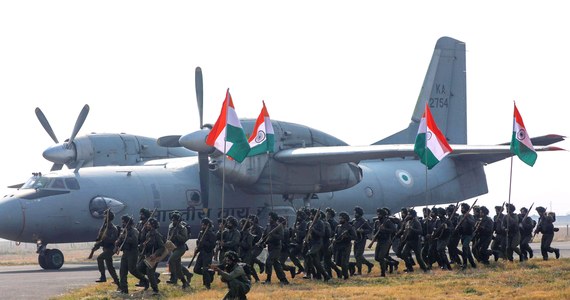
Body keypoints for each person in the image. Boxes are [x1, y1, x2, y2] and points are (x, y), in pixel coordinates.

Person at [116, 215, 148, 294]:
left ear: (128, 222)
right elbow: (120, 241)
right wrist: (118, 242)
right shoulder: (124, 231)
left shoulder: (134, 231)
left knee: (132, 270)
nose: (122, 224)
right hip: (125, 252)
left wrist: (125, 237)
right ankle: (124, 289)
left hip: (132, 252)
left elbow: (135, 241)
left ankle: (145, 280)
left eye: (124, 222)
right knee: (122, 271)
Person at [137, 218, 165, 295]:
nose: (147, 225)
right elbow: (146, 244)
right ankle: (155, 275)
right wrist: (142, 246)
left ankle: (155, 290)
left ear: (152, 226)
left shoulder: (156, 235)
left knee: (149, 273)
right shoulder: (148, 234)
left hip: (154, 257)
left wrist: (155, 254)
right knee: (139, 268)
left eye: (148, 224)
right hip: (147, 256)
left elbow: (162, 247)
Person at [261, 211, 289, 285]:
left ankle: (268, 279)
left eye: (270, 217)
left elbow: (281, 237)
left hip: (276, 247)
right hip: (270, 247)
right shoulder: (268, 226)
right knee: (276, 264)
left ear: (273, 218)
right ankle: (283, 279)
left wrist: (273, 234)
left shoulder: (278, 226)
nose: (269, 219)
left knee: (269, 261)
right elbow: (264, 235)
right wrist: (262, 241)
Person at [166, 211, 192, 288]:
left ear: (178, 221)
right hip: (173, 247)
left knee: (171, 260)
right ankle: (184, 282)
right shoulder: (171, 227)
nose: (173, 221)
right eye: (172, 220)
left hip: (180, 248)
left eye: (175, 220)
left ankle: (173, 277)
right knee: (178, 267)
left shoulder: (183, 228)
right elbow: (168, 236)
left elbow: (185, 239)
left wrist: (177, 235)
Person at [95, 210, 120, 286]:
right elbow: (100, 236)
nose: (104, 217)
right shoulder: (104, 226)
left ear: (109, 217)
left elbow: (112, 240)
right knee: (109, 266)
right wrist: (98, 242)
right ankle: (117, 282)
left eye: (105, 216)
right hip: (106, 248)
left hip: (111, 248)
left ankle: (103, 276)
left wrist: (105, 239)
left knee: (100, 258)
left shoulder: (113, 228)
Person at [193, 218, 217, 289]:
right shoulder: (201, 233)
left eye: (204, 225)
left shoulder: (211, 234)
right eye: (202, 225)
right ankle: (210, 273)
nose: (202, 226)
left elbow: (212, 245)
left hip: (208, 253)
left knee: (205, 269)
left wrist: (204, 242)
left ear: (207, 225)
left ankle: (207, 285)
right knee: (196, 269)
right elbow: (198, 242)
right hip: (201, 252)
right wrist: (197, 248)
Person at [372, 208, 396, 277]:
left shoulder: (387, 221)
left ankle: (383, 273)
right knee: (376, 258)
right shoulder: (377, 222)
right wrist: (373, 236)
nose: (378, 215)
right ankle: (390, 263)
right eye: (378, 214)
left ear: (383, 215)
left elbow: (394, 230)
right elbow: (374, 230)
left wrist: (384, 229)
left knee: (381, 257)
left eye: (379, 214)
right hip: (379, 241)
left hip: (386, 241)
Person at [351, 206, 374, 275]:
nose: (354, 214)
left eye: (356, 213)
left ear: (359, 213)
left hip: (361, 240)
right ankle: (369, 264)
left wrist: (362, 231)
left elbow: (370, 230)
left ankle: (359, 271)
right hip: (356, 240)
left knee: (358, 255)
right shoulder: (354, 220)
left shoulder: (363, 221)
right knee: (357, 256)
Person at [334, 211, 356, 279]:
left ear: (345, 219)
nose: (340, 220)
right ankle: (350, 265)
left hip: (346, 245)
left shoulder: (349, 227)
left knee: (344, 262)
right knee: (337, 262)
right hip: (339, 245)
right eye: (340, 218)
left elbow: (354, 237)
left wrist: (347, 236)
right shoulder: (338, 227)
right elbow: (335, 235)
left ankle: (345, 276)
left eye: (342, 218)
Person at [457, 203, 477, 269]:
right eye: (461, 208)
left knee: (464, 247)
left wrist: (467, 218)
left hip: (469, 235)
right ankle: (473, 264)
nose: (461, 210)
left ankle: (465, 263)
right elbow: (458, 225)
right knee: (467, 250)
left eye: (462, 208)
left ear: (466, 209)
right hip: (463, 235)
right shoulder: (460, 217)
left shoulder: (470, 216)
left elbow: (473, 223)